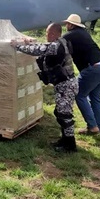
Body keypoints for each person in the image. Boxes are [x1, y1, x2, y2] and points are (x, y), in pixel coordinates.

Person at [12, 23, 79, 153]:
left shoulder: (56, 46)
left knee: (64, 115)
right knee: (60, 113)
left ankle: (70, 145)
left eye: (47, 33)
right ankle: (65, 139)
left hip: (66, 85)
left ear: (53, 34)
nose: (46, 35)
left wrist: (18, 46)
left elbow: (39, 50)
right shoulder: (60, 43)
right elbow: (43, 47)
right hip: (65, 84)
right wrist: (28, 43)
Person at [62, 14, 100, 135]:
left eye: (67, 23)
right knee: (95, 97)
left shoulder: (71, 35)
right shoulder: (83, 33)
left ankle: (92, 127)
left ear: (71, 25)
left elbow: (56, 45)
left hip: (93, 68)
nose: (66, 25)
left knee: (79, 95)